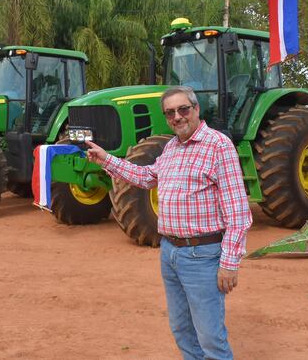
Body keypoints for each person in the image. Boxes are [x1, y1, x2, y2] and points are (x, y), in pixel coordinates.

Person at [85, 86, 252, 360]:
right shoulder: (172, 147)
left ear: (197, 109)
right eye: (170, 112)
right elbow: (146, 176)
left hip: (202, 255)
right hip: (170, 253)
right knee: (182, 329)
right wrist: (107, 159)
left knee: (210, 336)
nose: (177, 117)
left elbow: (238, 212)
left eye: (183, 109)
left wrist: (229, 263)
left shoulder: (218, 145)